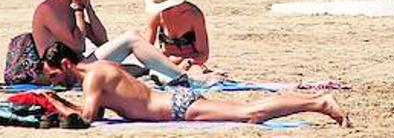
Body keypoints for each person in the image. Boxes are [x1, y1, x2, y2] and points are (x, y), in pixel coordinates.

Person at [38, 42, 348, 126]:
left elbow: (89, 118)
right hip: (173, 102)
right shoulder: (99, 71)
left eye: (53, 74)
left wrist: (55, 105)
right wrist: (63, 104)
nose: (54, 80)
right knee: (247, 111)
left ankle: (318, 103)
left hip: (173, 108)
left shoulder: (93, 77)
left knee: (250, 113)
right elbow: (101, 112)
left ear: (65, 64)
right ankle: (316, 103)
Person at [32, 0, 207, 86]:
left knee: (139, 68)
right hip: (63, 73)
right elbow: (78, 45)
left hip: (80, 67)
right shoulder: (49, 9)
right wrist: (78, 7)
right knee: (132, 38)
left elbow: (101, 40)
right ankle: (183, 76)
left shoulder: (74, 5)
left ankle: (175, 74)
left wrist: (88, 6)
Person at [144, 0, 211, 71]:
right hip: (165, 62)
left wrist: (189, 62)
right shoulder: (157, 15)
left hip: (190, 63)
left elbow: (203, 54)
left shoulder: (193, 15)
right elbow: (146, 48)